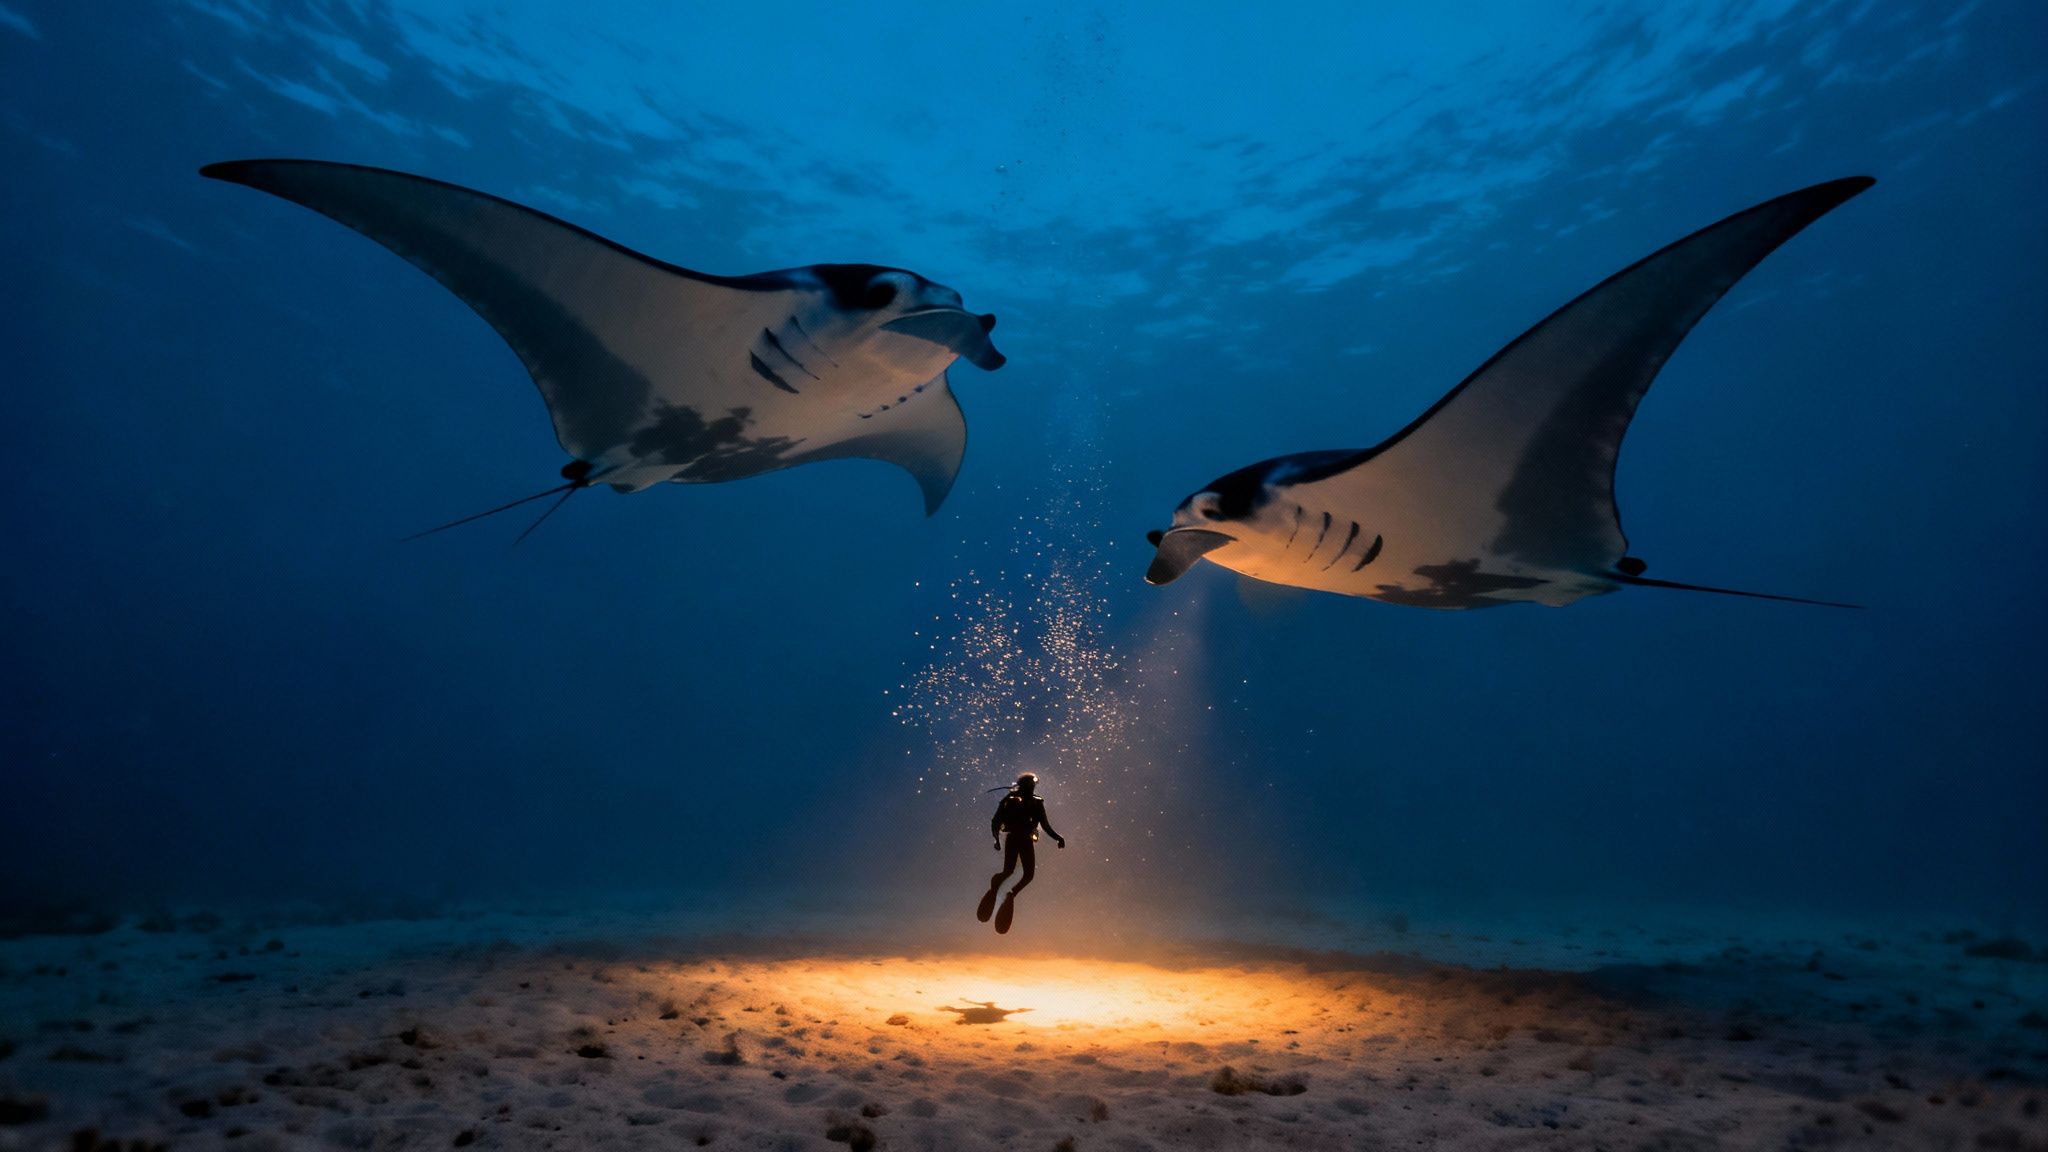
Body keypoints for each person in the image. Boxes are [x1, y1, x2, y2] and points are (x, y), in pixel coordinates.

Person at [977, 772, 1064, 933]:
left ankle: (1009, 893)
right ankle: (1001, 890)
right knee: (1015, 872)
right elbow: (996, 821)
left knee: (1023, 874)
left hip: (1021, 840)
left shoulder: (1031, 802)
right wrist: (996, 839)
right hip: (1019, 840)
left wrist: (1058, 838)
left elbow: (1044, 825)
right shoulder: (1013, 801)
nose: (1031, 789)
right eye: (1030, 786)